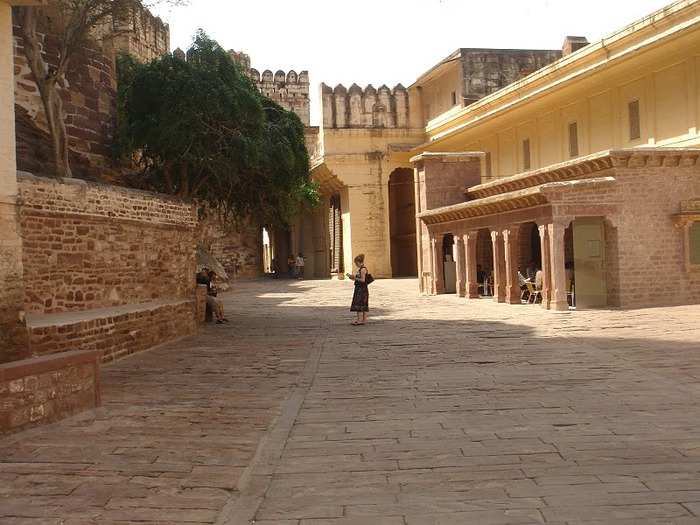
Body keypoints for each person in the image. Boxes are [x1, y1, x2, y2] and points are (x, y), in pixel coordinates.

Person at [346, 253, 369, 326]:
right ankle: (363, 320)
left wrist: (354, 278)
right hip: (360, 288)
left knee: (359, 304)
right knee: (363, 304)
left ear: (361, 262)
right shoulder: (360, 269)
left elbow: (363, 280)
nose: (356, 264)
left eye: (357, 263)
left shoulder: (363, 270)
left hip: (361, 289)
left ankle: (360, 320)